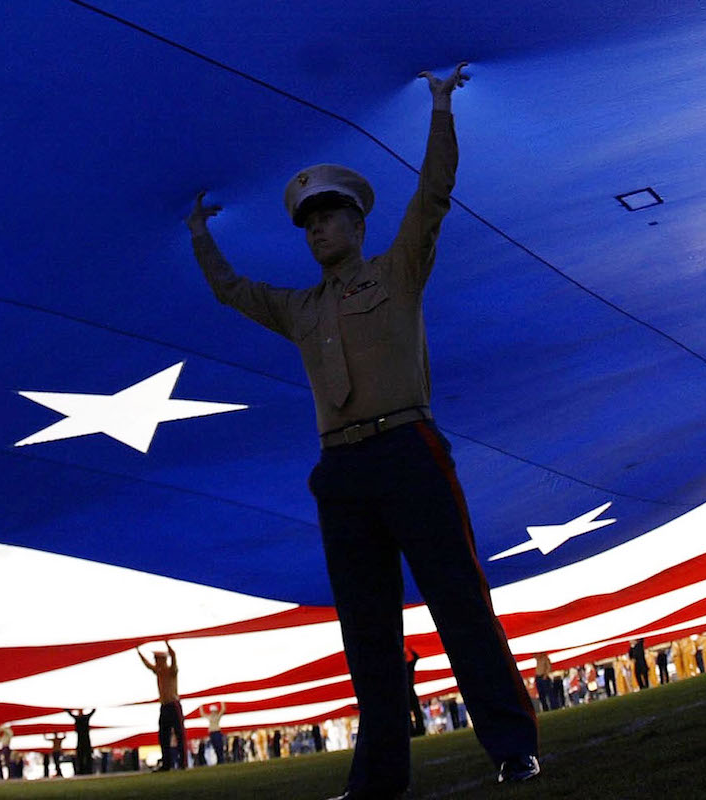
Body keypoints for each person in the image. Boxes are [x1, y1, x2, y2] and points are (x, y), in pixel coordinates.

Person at [186, 62, 539, 797]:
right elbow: (229, 291)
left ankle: (512, 746)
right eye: (308, 223)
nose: (318, 229)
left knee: (458, 601)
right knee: (366, 633)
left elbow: (434, 191)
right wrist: (198, 232)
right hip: (341, 473)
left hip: (408, 450)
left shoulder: (399, 267)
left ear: (358, 222)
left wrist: (440, 106)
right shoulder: (299, 309)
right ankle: (378, 780)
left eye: (329, 216)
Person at [137, 643, 186, 770]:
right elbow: (147, 665)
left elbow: (174, 657)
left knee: (179, 734)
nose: (155, 662)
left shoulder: (171, 671)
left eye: (157, 659)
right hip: (164, 706)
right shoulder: (158, 672)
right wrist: (138, 652)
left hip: (173, 705)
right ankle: (166, 764)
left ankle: (183, 763)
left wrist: (168, 644)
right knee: (163, 736)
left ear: (163, 660)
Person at [67, 708, 96, 775]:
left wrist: (68, 710)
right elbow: (92, 712)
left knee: (83, 755)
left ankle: (84, 770)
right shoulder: (84, 717)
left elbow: (71, 715)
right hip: (84, 738)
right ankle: (86, 770)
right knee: (84, 755)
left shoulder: (80, 718)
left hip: (82, 738)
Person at [405, 646, 425, 735]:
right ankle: (420, 730)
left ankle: (411, 731)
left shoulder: (398, 669)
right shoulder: (409, 666)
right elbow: (416, 657)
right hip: (411, 691)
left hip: (404, 693)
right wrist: (410, 649)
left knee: (407, 713)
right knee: (417, 712)